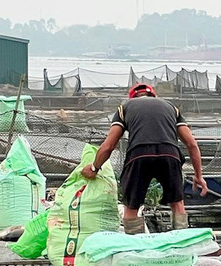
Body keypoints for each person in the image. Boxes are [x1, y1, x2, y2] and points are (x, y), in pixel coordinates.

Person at [81, 83, 208, 234]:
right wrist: (199, 176)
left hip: (139, 154)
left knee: (132, 206)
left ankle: (136, 247)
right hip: (170, 154)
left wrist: (95, 167)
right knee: (177, 203)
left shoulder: (125, 108)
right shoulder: (171, 108)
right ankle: (181, 244)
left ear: (132, 97)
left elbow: (109, 145)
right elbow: (192, 144)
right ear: (154, 96)